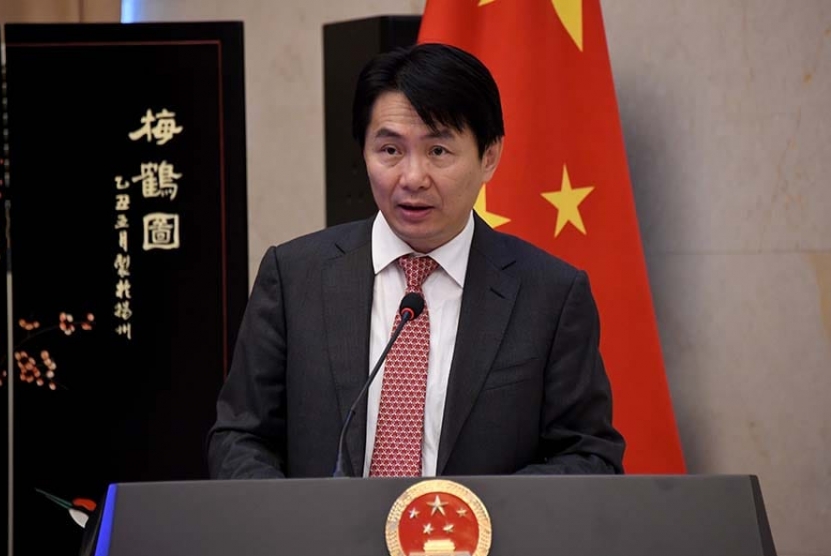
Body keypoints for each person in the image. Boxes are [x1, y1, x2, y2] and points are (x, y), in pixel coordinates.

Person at [208, 43, 625, 479]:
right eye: (390, 150)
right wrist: (293, 515)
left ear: (489, 157)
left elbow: (590, 455)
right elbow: (239, 437)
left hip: (476, 525)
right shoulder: (294, 276)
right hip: (322, 525)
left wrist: (482, 510)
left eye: (438, 151)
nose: (412, 178)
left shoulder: (551, 295)